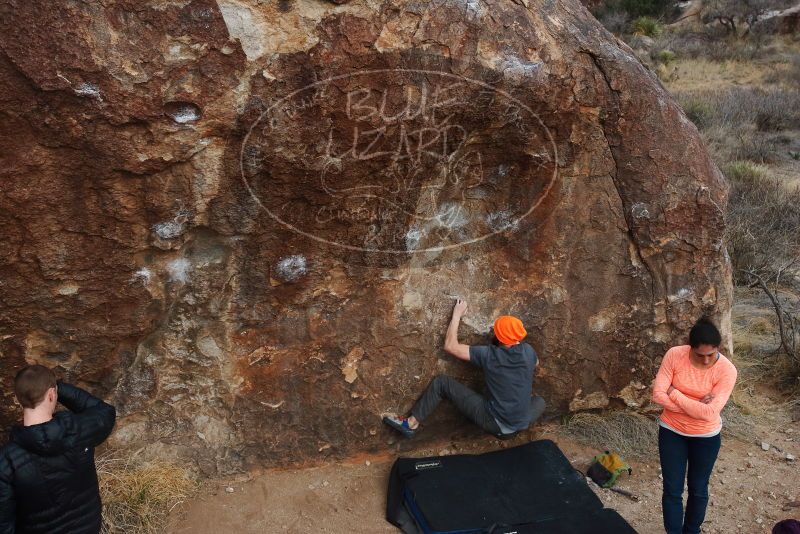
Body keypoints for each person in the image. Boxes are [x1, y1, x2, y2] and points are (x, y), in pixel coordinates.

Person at [383, 298, 545, 439]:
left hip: (496, 424)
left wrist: (457, 314)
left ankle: (411, 424)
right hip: (521, 423)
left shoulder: (489, 355)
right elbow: (536, 363)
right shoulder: (529, 352)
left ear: (499, 337)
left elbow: (450, 346)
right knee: (540, 402)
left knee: (441, 383)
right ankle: (514, 423)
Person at [0, 365, 116, 534]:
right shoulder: (80, 430)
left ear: (18, 400)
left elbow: (4, 527)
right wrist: (57, 386)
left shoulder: (6, 462)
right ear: (52, 395)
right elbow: (105, 412)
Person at [652, 317, 737, 534]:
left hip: (706, 437)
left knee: (698, 490)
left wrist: (676, 393)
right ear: (690, 348)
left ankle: (692, 531)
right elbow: (658, 395)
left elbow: (709, 413)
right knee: (672, 490)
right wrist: (696, 406)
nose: (707, 360)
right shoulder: (674, 355)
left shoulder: (727, 370)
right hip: (672, 432)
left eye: (712, 354)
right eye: (701, 355)